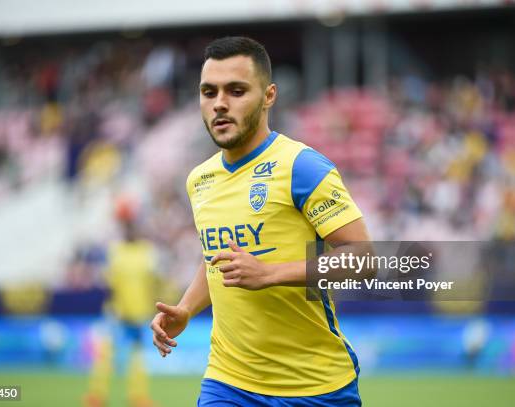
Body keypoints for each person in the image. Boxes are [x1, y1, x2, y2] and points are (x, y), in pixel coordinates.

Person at [151, 36, 371, 406]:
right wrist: (186, 307)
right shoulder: (199, 180)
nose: (219, 103)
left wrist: (269, 273)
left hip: (315, 386)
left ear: (269, 96)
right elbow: (217, 261)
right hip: (228, 382)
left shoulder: (302, 167)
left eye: (236, 91)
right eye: (209, 92)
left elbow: (364, 260)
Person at [86, 197, 158, 407]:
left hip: (139, 314)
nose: (130, 231)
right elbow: (109, 285)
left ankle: (138, 398)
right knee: (105, 356)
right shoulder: (116, 252)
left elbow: (152, 285)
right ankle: (97, 396)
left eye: (133, 228)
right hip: (118, 314)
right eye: (128, 228)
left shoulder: (146, 252)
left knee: (137, 358)